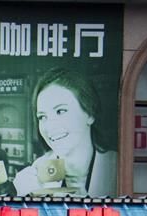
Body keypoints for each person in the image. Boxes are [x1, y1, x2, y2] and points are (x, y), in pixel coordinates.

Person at [12, 68, 116, 196]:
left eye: (61, 111)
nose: (50, 126)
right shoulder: (35, 174)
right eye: (42, 117)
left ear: (90, 114)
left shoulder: (117, 166)